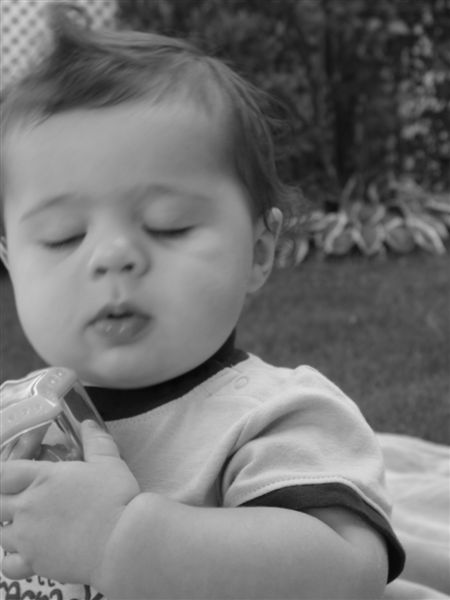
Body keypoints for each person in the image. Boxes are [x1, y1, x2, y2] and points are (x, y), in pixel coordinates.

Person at [0, 5, 404, 600]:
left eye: (168, 225)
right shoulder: (18, 420)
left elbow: (348, 572)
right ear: (12, 262)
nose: (112, 256)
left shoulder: (271, 418)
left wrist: (114, 539)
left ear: (258, 251)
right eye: (63, 236)